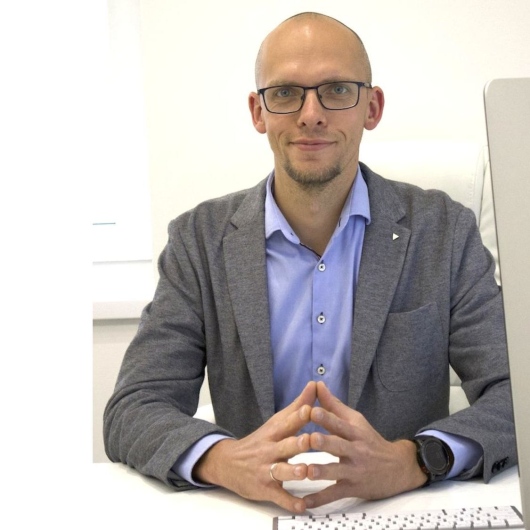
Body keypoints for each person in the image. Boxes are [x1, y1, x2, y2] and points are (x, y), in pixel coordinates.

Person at [103, 12, 516, 514]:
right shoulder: (199, 241)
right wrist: (223, 460)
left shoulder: (444, 232)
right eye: (285, 93)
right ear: (258, 112)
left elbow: (515, 390)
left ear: (372, 107)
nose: (311, 114)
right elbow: (135, 406)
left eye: (337, 90)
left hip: (401, 508)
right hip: (253, 511)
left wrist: (417, 459)